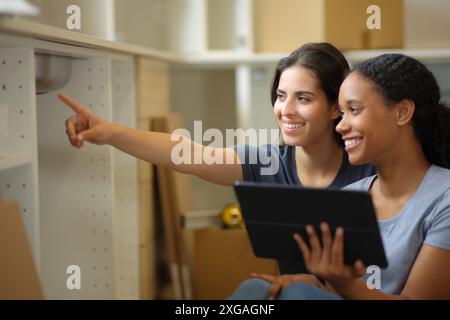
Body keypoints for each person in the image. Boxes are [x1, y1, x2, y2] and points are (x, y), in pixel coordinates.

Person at [58, 43, 374, 287]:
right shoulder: (268, 163)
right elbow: (186, 155)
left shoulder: (370, 170)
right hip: (289, 293)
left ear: (336, 107)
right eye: (280, 95)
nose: (285, 110)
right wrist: (110, 132)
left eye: (303, 99)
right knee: (253, 290)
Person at [229, 53, 450, 300]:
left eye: (354, 110)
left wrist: (342, 284)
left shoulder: (444, 197)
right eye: (342, 113)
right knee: (257, 290)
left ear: (402, 112)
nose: (340, 126)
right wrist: (314, 282)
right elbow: (338, 294)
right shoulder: (350, 197)